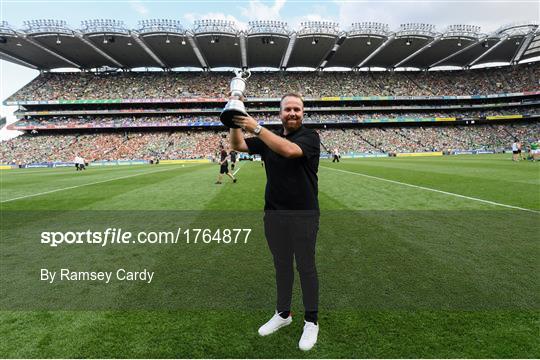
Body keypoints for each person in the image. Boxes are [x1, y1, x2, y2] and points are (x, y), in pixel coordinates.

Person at [230, 93, 320, 351]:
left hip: (303, 215)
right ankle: (283, 314)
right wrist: (234, 120)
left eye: (297, 109)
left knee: (306, 267)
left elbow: (289, 150)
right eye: (288, 109)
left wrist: (256, 128)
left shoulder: (310, 137)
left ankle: (311, 321)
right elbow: (238, 145)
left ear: (303, 113)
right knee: (282, 266)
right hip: (274, 215)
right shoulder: (268, 139)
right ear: (279, 113)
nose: (293, 113)